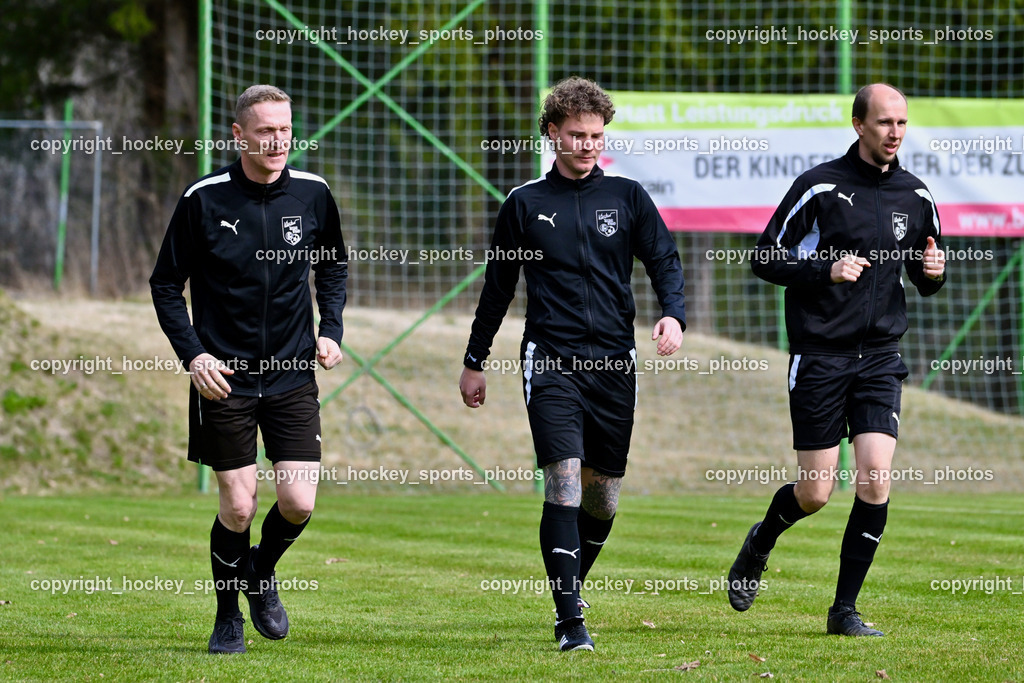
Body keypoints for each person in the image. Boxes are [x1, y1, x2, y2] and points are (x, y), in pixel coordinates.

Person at [459, 76, 686, 652]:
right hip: (551, 358)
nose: (588, 145)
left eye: (597, 135)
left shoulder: (628, 197)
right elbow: (497, 289)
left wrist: (673, 314)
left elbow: (663, 258)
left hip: (615, 362)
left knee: (602, 494)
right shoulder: (525, 204)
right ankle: (569, 622)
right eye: (577, 135)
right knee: (562, 479)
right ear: (552, 134)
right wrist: (474, 359)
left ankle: (571, 585)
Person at [728, 83, 946, 636]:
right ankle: (761, 541)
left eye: (901, 122)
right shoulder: (819, 186)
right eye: (883, 123)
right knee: (816, 493)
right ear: (858, 125)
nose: (894, 132)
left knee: (875, 481)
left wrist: (933, 274)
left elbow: (923, 275)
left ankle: (843, 611)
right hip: (820, 356)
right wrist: (823, 269)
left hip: (879, 358)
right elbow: (764, 257)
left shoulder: (917, 197)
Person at [150, 85, 347, 653]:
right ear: (239, 135)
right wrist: (195, 355)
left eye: (285, 129)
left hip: (290, 374)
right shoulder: (204, 199)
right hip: (225, 379)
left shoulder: (313, 194)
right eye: (266, 130)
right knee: (238, 505)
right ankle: (227, 615)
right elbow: (166, 285)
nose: (278, 140)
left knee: (298, 503)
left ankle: (260, 571)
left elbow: (333, 267)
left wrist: (330, 328)